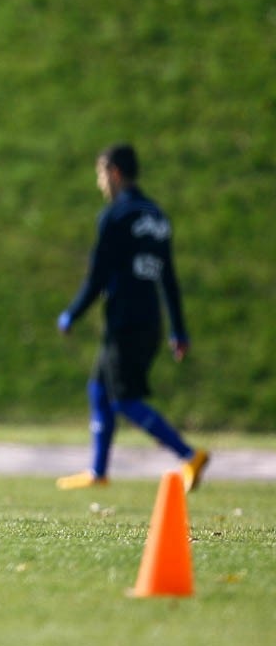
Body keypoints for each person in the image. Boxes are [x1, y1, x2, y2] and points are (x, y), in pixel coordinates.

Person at [56, 144, 209, 493]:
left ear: (114, 173)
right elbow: (168, 277)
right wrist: (179, 330)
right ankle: (98, 471)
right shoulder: (157, 217)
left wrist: (71, 314)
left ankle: (189, 455)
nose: (99, 183)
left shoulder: (116, 217)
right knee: (98, 387)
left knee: (124, 399)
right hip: (150, 319)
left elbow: (97, 277)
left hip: (124, 321)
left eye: (99, 174)